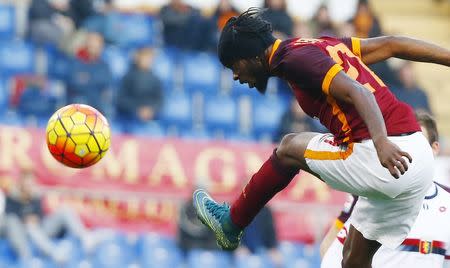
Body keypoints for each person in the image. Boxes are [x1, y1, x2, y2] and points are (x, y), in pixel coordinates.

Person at [193, 8, 450, 268]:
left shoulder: (294, 60)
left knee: (288, 148)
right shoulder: (320, 45)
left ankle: (231, 223)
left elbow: (359, 92)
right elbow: (392, 45)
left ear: (252, 57)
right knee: (353, 259)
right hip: (417, 158)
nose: (235, 76)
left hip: (384, 155)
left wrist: (381, 141)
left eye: (234, 66)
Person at [321, 112, 450, 267]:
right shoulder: (372, 194)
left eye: (419, 144)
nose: (410, 151)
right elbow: (334, 248)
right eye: (404, 142)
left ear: (435, 148)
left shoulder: (446, 202)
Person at [2, 170, 98, 264]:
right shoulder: (12, 196)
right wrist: (24, 219)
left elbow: (40, 214)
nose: (29, 185)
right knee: (30, 227)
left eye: (31, 182)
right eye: (27, 182)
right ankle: (53, 255)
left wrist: (35, 218)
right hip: (22, 232)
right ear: (21, 183)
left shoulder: (36, 195)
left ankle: (85, 237)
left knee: (65, 209)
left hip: (40, 227)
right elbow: (10, 218)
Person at [66, 31, 112, 116]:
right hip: (80, 100)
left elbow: (106, 83)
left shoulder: (104, 65)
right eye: (91, 42)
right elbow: (75, 83)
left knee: (108, 107)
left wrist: (88, 78)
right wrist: (94, 80)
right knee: (81, 102)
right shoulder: (76, 61)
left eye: (97, 42)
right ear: (86, 44)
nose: (93, 45)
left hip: (97, 101)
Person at [116, 47, 163, 128]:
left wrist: (151, 111)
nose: (147, 60)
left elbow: (159, 100)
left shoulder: (156, 79)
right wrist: (137, 110)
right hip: (129, 119)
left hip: (150, 120)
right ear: (138, 57)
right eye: (145, 57)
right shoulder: (128, 76)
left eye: (150, 58)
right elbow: (121, 99)